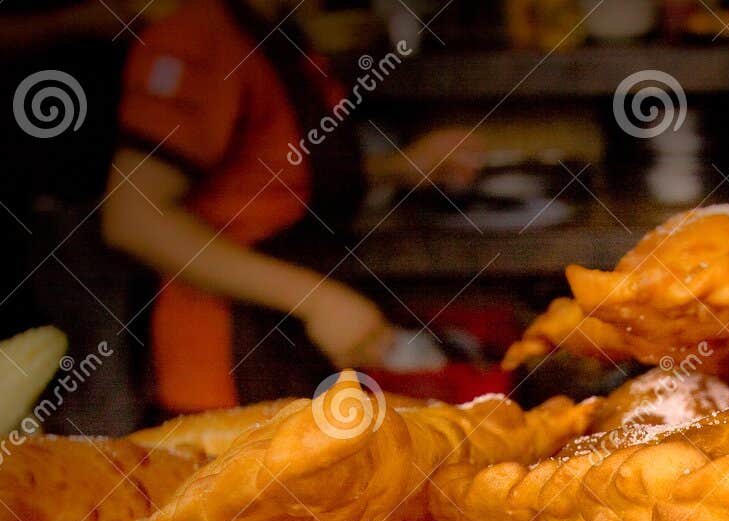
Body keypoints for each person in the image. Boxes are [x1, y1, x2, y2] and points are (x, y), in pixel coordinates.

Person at [100, 0, 482, 412]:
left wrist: (398, 168)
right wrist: (318, 301)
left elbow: (267, 174)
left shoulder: (281, 34)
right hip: (224, 363)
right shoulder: (198, 37)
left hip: (291, 347)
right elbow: (133, 217)